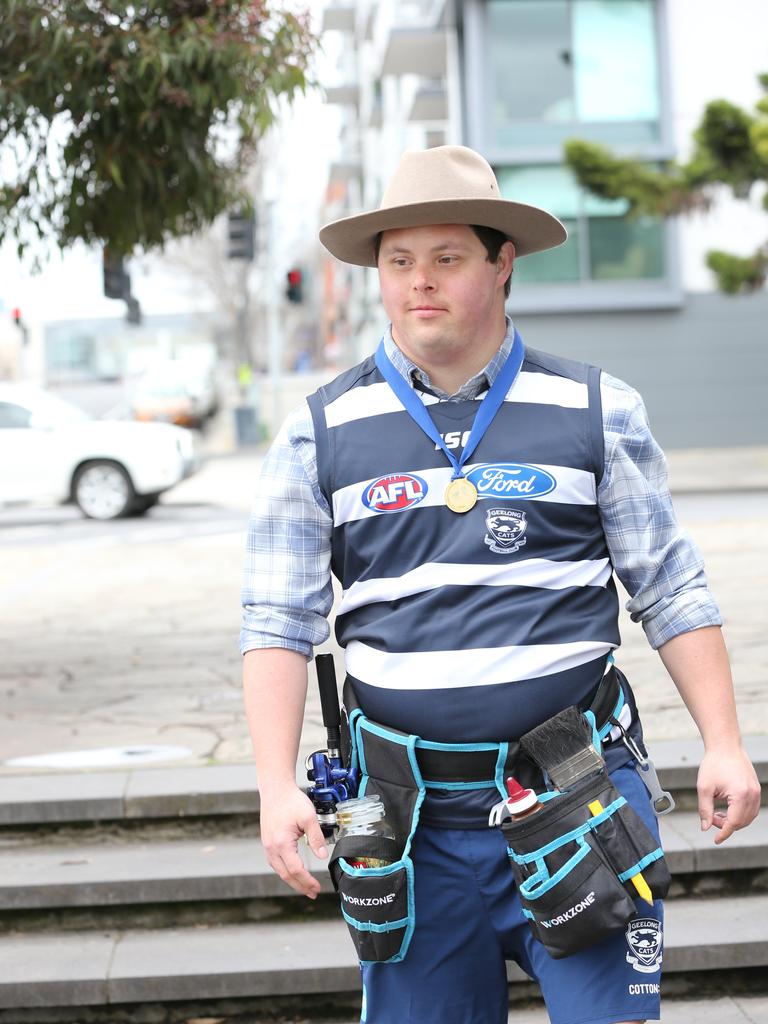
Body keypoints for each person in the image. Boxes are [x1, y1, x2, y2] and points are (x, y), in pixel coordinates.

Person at [241, 145, 760, 1024]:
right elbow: (278, 620)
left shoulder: (599, 409)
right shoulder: (316, 434)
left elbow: (669, 585)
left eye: (446, 258)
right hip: (405, 826)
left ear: (501, 261)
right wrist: (274, 783)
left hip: (578, 798)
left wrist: (724, 739)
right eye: (399, 262)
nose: (419, 283)